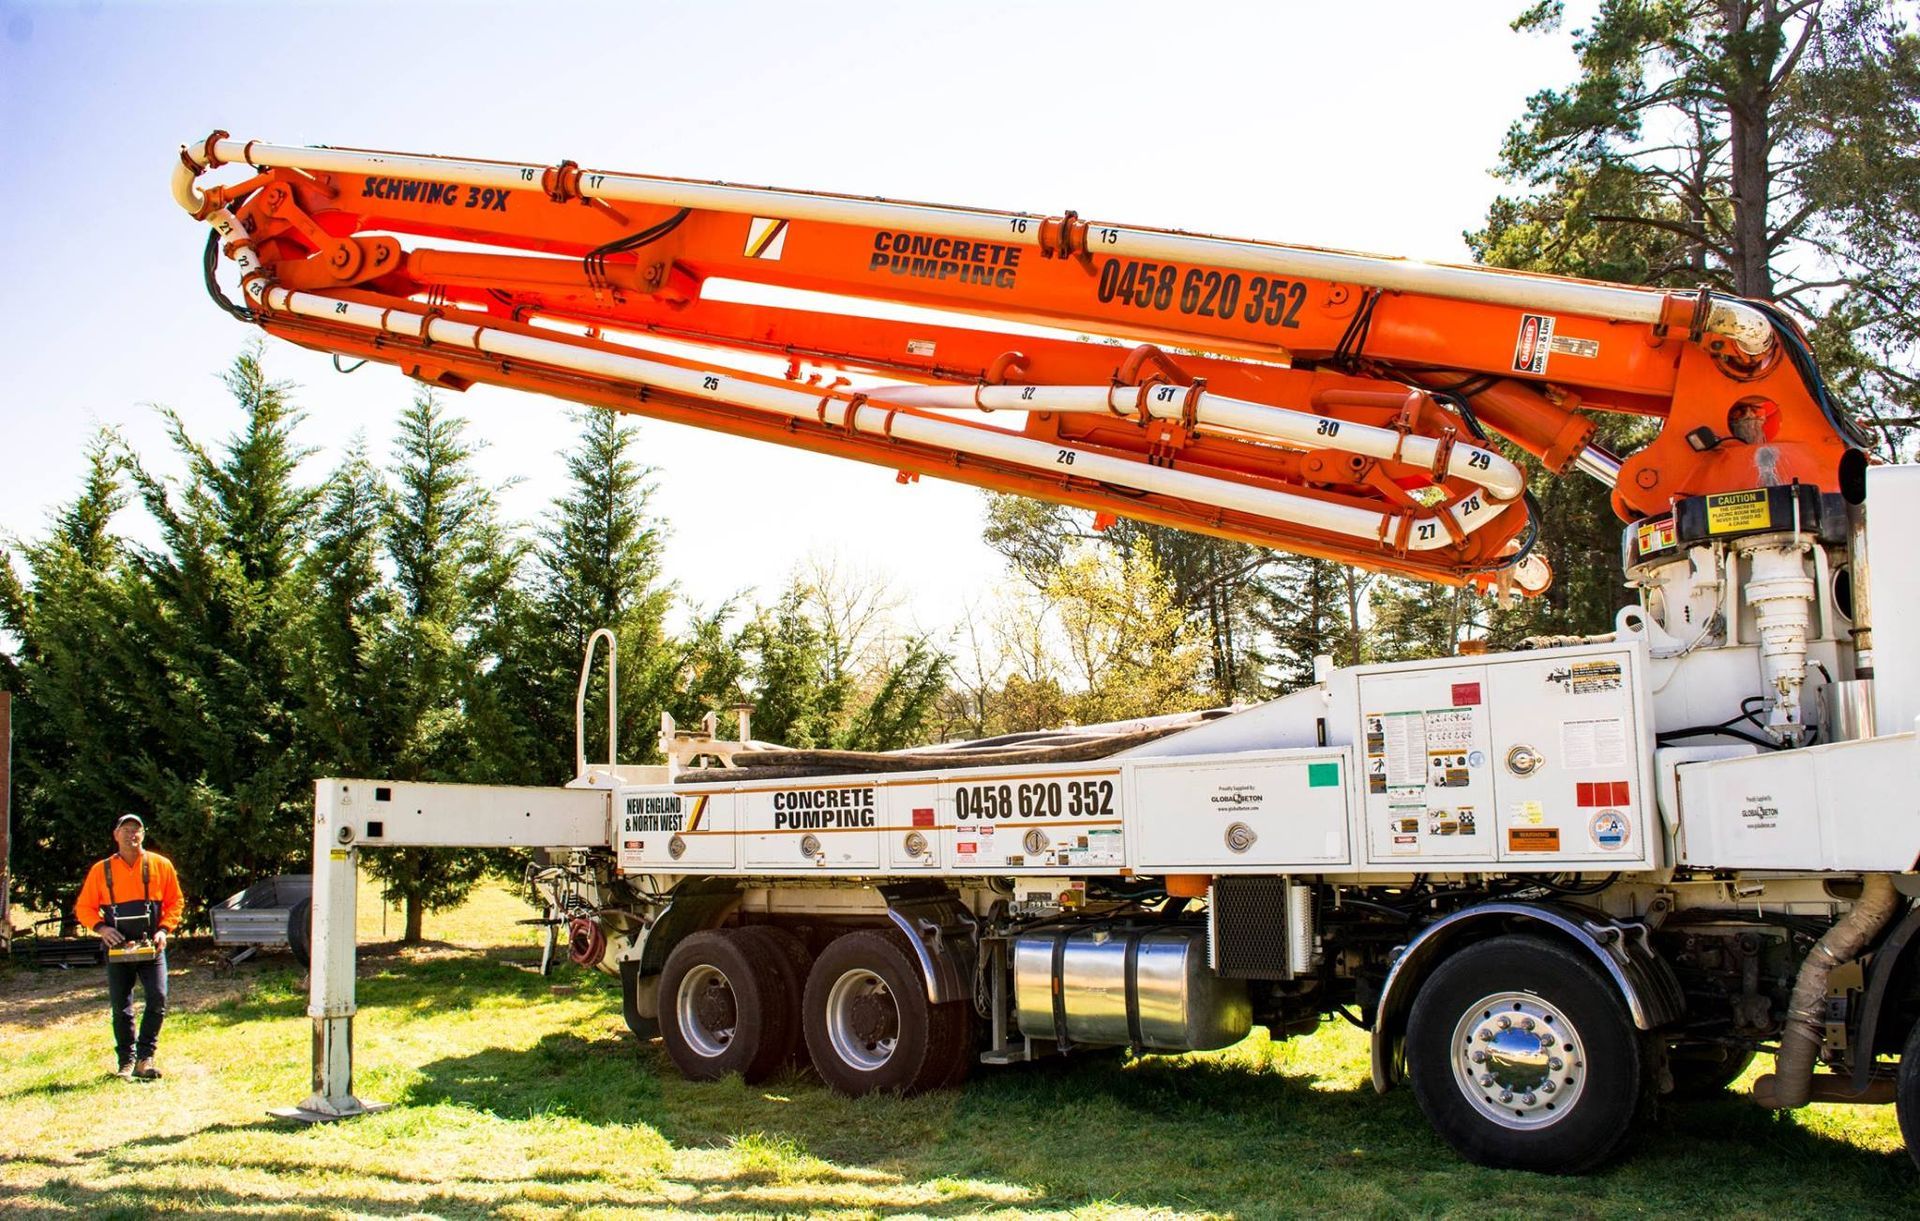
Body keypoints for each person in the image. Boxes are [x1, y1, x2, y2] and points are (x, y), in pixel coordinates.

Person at [73, 814, 184, 1081]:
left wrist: (163, 929)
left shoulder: (161, 865)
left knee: (158, 998)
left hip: (152, 946)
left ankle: (145, 1058)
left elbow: (175, 902)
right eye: (126, 830)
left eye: (136, 830)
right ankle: (126, 1062)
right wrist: (102, 928)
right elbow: (84, 908)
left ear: (143, 835)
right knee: (121, 1005)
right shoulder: (102, 870)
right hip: (117, 948)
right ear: (116, 835)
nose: (131, 835)